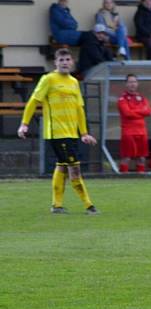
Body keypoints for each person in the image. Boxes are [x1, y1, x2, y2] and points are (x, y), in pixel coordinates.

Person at [17, 49, 98, 214]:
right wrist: (24, 124)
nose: (65, 62)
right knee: (74, 169)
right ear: (55, 62)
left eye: (68, 59)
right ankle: (89, 205)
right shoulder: (48, 79)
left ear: (72, 62)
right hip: (56, 133)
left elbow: (79, 109)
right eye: (61, 60)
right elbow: (33, 101)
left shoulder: (74, 82)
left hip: (71, 134)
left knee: (62, 166)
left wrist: (83, 133)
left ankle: (57, 205)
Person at [117, 74, 151, 173]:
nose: (133, 84)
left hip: (142, 132)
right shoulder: (122, 99)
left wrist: (134, 111)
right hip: (128, 132)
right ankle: (123, 178)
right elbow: (127, 113)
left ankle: (141, 179)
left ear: (137, 84)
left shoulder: (142, 98)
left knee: (141, 157)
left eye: (134, 82)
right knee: (127, 157)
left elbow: (149, 111)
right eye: (130, 82)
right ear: (126, 84)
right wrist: (141, 111)